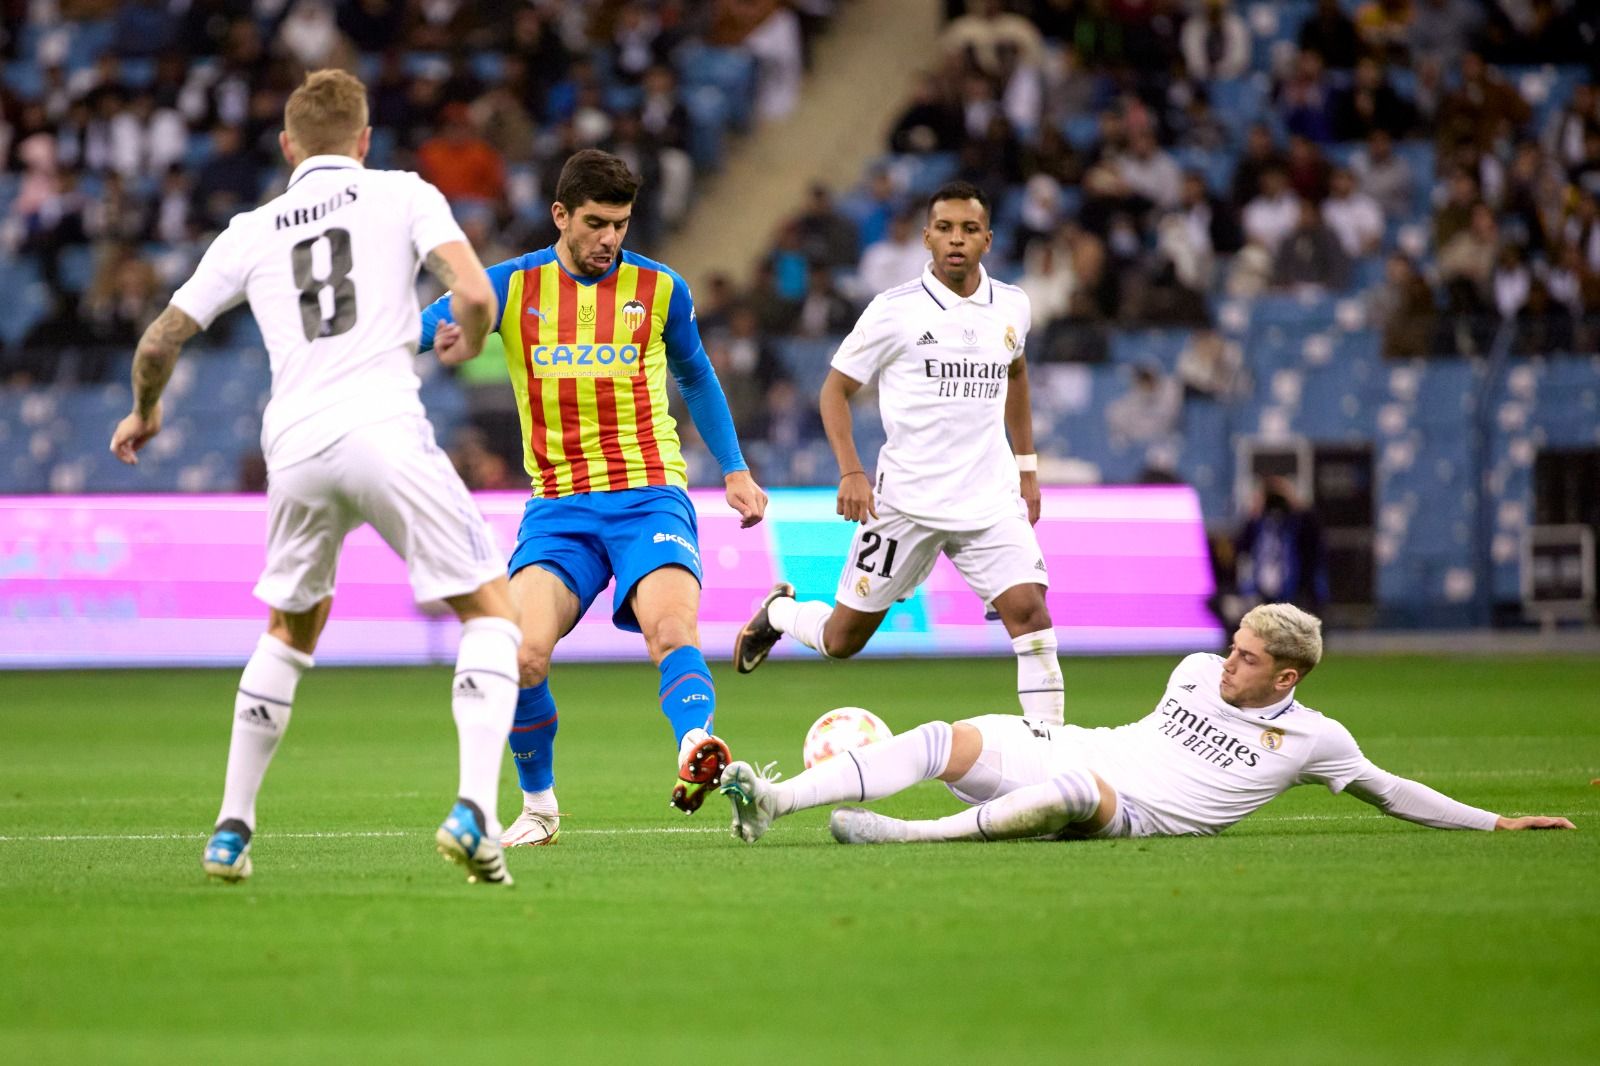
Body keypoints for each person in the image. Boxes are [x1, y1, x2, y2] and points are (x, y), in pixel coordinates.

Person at [108, 70, 522, 886]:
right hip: (383, 428)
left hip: (293, 449)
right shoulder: (402, 192)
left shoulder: (249, 229)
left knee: (290, 629)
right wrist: (470, 339)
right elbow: (473, 290)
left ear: (288, 146)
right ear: (364, 141)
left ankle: (231, 828)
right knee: (492, 613)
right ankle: (475, 809)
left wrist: (145, 412)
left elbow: (159, 340)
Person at [419, 148, 768, 848]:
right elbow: (416, 330)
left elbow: (696, 376)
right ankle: (540, 807)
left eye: (622, 224)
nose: (611, 238)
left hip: (649, 496)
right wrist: (423, 342)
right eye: (597, 222)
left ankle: (696, 745)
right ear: (561, 215)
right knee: (520, 657)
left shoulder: (660, 289)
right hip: (559, 508)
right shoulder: (509, 289)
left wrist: (733, 468)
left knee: (670, 631)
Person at [719, 603, 1576, 845]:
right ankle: (775, 803)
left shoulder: (1317, 739)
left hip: (1125, 808)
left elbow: (1390, 794)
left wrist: (1493, 819)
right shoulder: (1196, 669)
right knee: (949, 734)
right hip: (1089, 750)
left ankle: (908, 837)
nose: (1225, 659)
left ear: (1287, 675)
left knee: (1074, 790)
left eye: (1246, 657)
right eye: (1232, 643)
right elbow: (1148, 727)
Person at [733, 181, 1064, 727]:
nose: (956, 239)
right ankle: (779, 612)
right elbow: (833, 391)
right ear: (927, 238)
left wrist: (1026, 467)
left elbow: (1017, 371)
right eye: (945, 228)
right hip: (905, 504)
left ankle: (1053, 759)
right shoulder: (894, 311)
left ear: (988, 239)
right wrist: (852, 471)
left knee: (1031, 614)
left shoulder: (1013, 305)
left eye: (969, 229)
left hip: (989, 500)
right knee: (842, 640)